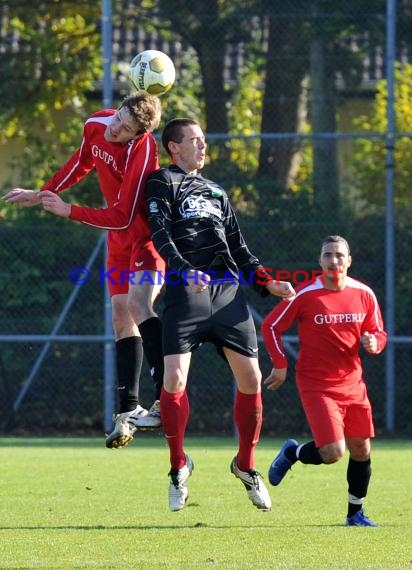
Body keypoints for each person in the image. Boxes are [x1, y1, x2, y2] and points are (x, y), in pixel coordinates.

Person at [145, 117, 296, 512]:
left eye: (204, 140)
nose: (203, 146)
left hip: (227, 293)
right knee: (175, 378)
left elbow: (239, 248)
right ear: (173, 147)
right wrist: (182, 269)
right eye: (194, 140)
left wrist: (268, 283)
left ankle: (245, 466)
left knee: (253, 379)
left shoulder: (216, 191)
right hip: (187, 292)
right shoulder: (162, 182)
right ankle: (179, 466)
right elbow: (161, 234)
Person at [3, 94, 165, 448]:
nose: (116, 129)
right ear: (117, 108)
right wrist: (43, 193)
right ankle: (128, 411)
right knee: (122, 319)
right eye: (118, 118)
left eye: (124, 130)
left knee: (139, 307)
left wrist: (69, 210)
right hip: (117, 242)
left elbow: (123, 215)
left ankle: (168, 395)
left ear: (137, 136)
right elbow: (82, 161)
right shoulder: (97, 123)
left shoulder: (143, 149)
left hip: (145, 238)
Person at [261, 234, 387, 527]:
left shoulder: (364, 293)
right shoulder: (306, 294)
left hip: (353, 383)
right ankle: (292, 452)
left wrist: (373, 343)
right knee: (332, 453)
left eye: (339, 255)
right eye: (328, 255)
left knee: (361, 448)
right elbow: (271, 326)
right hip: (316, 384)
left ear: (349, 261)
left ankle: (355, 514)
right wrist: (279, 365)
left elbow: (379, 333)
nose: (334, 260)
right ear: (320, 261)